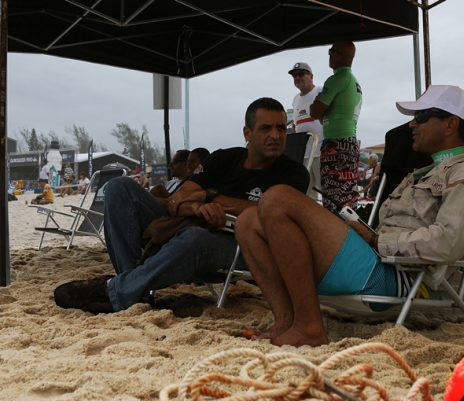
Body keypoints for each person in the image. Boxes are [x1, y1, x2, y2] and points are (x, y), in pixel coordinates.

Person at [235, 85, 464, 346]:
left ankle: (309, 327)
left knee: (278, 197)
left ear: (450, 125)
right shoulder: (422, 173)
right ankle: (286, 320)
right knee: (248, 221)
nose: (412, 125)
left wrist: (376, 242)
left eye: (420, 117)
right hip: (376, 260)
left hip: (402, 277)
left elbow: (448, 243)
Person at [54, 97, 309, 313]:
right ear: (247, 133)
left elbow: (272, 213)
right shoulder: (224, 159)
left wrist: (211, 198)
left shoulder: (293, 174)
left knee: (193, 237)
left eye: (281, 128)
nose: (276, 136)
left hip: (242, 243)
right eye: (266, 128)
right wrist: (197, 208)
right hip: (189, 221)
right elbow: (180, 198)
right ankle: (134, 289)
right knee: (119, 188)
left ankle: (118, 292)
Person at [310, 41, 363, 213]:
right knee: (347, 198)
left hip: (336, 145)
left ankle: (335, 237)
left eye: (331, 51)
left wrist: (318, 101)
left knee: (333, 201)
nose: (329, 55)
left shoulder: (335, 80)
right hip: (349, 144)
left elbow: (315, 112)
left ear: (341, 54)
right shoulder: (354, 81)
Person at [288, 62, 324, 200]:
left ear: (311, 76)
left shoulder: (320, 91)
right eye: (294, 76)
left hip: (321, 151)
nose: (297, 77)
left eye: (301, 74)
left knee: (324, 189)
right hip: (303, 153)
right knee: (307, 193)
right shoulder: (295, 99)